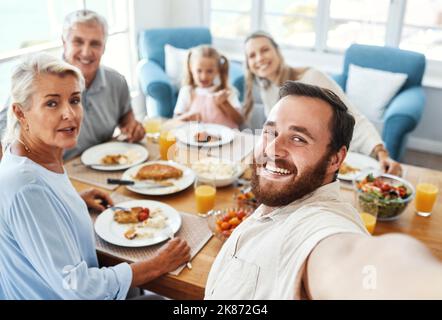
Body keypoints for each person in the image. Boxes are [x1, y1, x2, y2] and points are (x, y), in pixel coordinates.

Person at [205, 81, 442, 300]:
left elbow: (360, 263)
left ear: (335, 159)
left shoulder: (320, 227)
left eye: (298, 138)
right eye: (270, 132)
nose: (273, 149)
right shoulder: (277, 204)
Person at [0, 53, 190, 300]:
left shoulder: (38, 158)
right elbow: (77, 288)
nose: (70, 113)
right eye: (52, 103)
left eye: (75, 100)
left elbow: (38, 216)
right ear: (20, 113)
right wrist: (157, 264)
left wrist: (72, 201)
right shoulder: (26, 185)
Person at [243, 31, 402, 176]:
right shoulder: (267, 87)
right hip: (300, 163)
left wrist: (382, 153)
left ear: (277, 51)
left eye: (264, 50)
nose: (259, 58)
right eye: (252, 55)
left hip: (340, 162)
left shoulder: (312, 78)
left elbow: (353, 118)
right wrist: (257, 154)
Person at [0, 10, 145, 160]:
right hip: (57, 170)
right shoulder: (35, 82)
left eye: (95, 44)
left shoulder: (117, 81)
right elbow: (3, 139)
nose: (86, 52)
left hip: (106, 166)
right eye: (78, 42)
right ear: (64, 42)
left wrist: (132, 127)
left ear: (104, 47)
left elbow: (126, 116)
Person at [173, 45, 243, 129]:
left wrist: (225, 104)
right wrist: (187, 117)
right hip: (196, 140)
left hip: (227, 140)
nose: (204, 76)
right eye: (199, 71)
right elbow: (175, 121)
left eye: (209, 71)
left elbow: (240, 121)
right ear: (191, 68)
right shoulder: (187, 91)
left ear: (218, 70)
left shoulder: (227, 92)